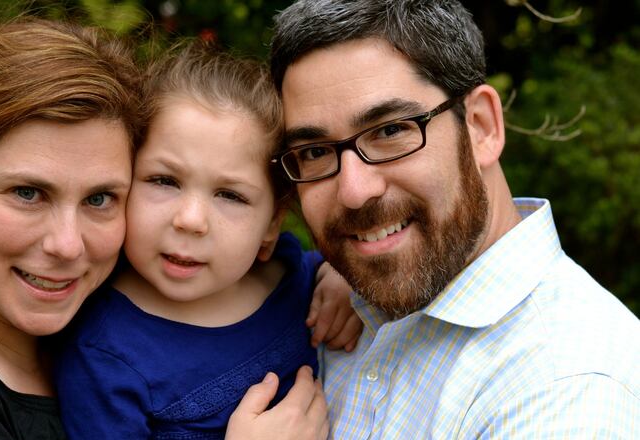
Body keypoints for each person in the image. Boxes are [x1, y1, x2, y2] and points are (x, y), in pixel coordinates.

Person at [0, 18, 328, 440]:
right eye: (27, 193)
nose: (66, 244)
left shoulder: (94, 319)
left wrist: (343, 279)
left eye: (100, 199)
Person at [269, 0, 640, 437]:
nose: (354, 191)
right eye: (314, 152)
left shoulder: (567, 390)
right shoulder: (326, 302)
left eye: (390, 130)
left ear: (481, 126)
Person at [53, 42, 360, 440]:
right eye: (164, 181)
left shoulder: (286, 273)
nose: (191, 220)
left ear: (270, 225)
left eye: (230, 195)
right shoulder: (102, 355)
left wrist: (341, 276)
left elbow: (321, 266)